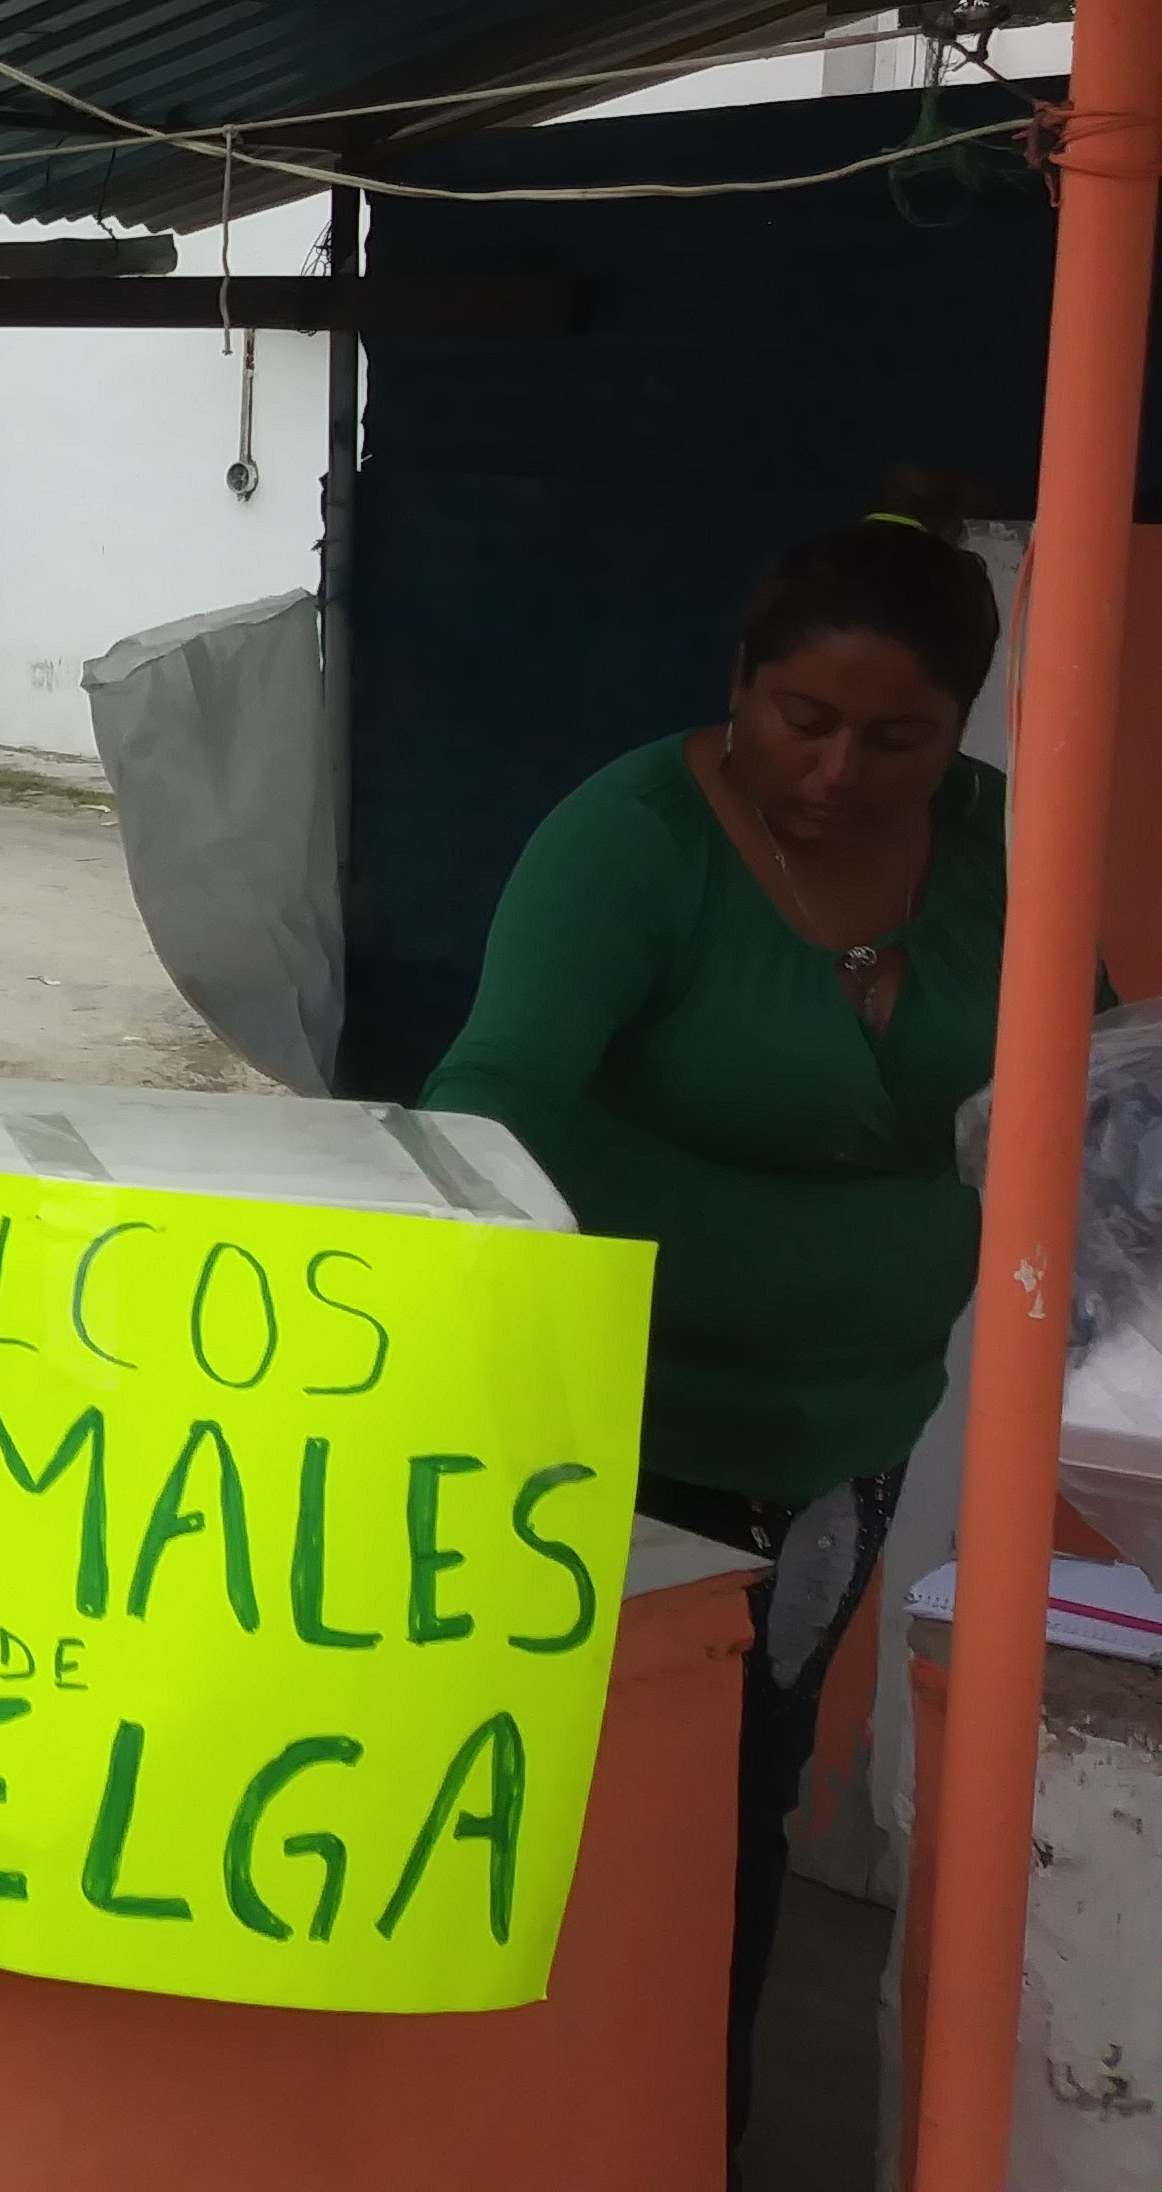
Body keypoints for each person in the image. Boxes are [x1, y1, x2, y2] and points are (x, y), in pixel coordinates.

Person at [424, 477, 1006, 2150]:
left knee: (734, 1811)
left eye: (894, 742)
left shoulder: (982, 848)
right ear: (738, 682)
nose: (838, 772)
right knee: (566, 1821)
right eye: (802, 718)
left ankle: (689, 2139)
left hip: (842, 1441)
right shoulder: (632, 841)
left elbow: (1077, 1086)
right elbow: (493, 1108)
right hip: (604, 1443)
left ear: (957, 736)